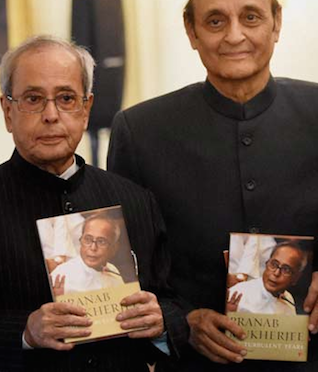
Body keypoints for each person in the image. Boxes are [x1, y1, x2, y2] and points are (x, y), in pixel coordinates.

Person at [0, 35, 188, 372]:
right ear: (7, 111)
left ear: (86, 109)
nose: (51, 114)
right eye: (33, 98)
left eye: (66, 98)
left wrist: (160, 322)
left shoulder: (134, 199)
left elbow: (175, 302)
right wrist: (24, 331)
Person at [107, 0, 318, 371]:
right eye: (216, 20)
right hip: (196, 363)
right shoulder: (140, 132)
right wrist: (183, 321)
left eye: (250, 17)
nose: (235, 35)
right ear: (192, 31)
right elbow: (127, 270)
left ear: (276, 23)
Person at [50, 214, 125, 295]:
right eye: (87, 239)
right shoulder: (61, 275)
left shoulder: (113, 271)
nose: (93, 248)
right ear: (80, 241)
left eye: (101, 241)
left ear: (114, 248)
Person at [227, 241, 308, 315]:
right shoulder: (237, 293)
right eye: (273, 264)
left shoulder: (288, 299)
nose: (276, 273)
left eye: (285, 269)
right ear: (267, 263)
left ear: (296, 278)